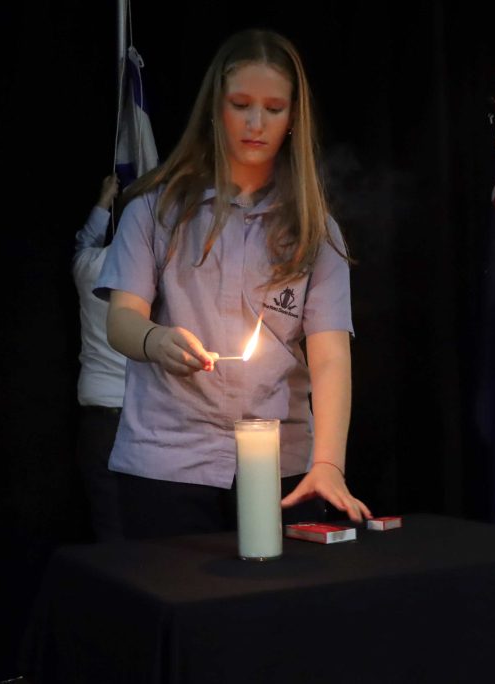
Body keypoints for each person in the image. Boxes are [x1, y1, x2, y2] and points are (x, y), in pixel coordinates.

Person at [94, 28, 372, 540]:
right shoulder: (153, 212)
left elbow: (330, 356)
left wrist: (328, 464)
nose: (255, 123)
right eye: (240, 104)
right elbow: (121, 321)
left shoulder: (315, 230)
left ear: (294, 119)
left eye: (273, 108)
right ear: (214, 108)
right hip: (167, 465)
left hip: (282, 471)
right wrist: (156, 341)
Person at [72, 173, 124, 541]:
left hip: (96, 421)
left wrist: (104, 200)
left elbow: (84, 243)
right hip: (136, 420)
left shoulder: (86, 266)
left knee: (108, 526)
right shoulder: (146, 278)